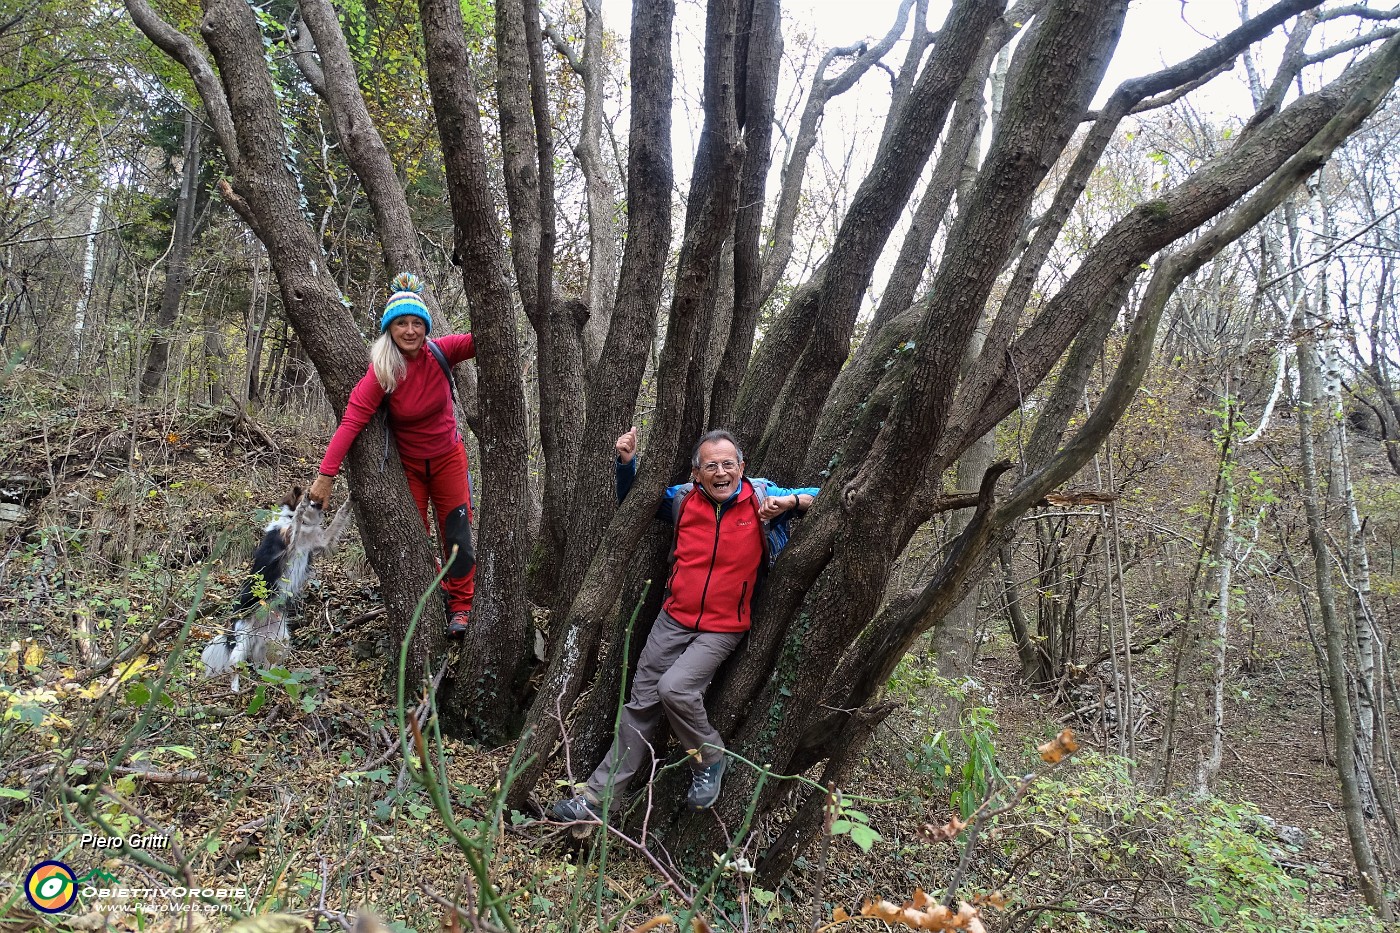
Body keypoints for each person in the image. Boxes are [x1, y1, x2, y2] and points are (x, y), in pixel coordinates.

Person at [550, 427, 818, 817]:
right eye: (711, 466)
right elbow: (636, 502)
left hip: (724, 626)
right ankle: (596, 800)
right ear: (696, 474)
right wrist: (626, 464)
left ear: (742, 467)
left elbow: (824, 498)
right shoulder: (682, 499)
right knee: (640, 704)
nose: (721, 472)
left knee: (675, 689)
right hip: (673, 619)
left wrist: (792, 501)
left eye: (729, 464)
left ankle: (709, 758)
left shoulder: (762, 496)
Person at [307, 273, 477, 636]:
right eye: (402, 323)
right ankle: (437, 593)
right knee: (413, 537)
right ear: (390, 328)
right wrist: (326, 476)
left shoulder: (441, 352)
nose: (411, 330)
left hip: (449, 457)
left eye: (417, 323)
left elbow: (486, 339)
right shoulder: (383, 371)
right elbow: (351, 421)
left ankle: (462, 607)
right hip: (410, 467)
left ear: (426, 327)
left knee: (458, 533)